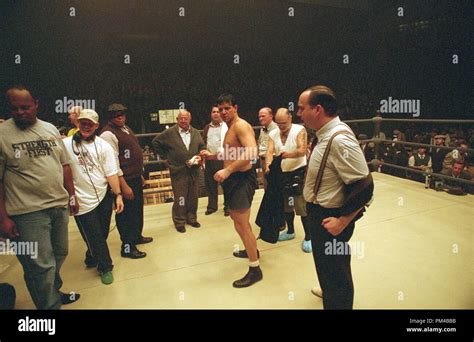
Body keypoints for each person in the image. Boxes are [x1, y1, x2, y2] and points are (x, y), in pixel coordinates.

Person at [0, 85, 80, 309]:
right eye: (14, 108)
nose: (20, 112)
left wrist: (71, 196)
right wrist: (3, 218)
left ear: (36, 104)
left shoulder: (50, 129)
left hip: (57, 204)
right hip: (26, 212)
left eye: (25, 107)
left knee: (60, 253)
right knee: (40, 265)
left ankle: (53, 291)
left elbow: (64, 165)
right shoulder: (2, 134)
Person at [298, 85, 373, 309]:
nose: (298, 113)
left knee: (336, 272)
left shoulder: (338, 139)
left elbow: (365, 185)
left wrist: (343, 220)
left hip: (330, 217)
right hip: (319, 213)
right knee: (326, 266)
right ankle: (328, 291)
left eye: (302, 109)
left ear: (318, 109)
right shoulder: (324, 135)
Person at [64, 109, 124, 285]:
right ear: (77, 123)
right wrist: (70, 196)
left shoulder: (104, 146)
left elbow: (111, 173)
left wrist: (118, 195)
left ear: (96, 126)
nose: (86, 126)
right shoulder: (66, 144)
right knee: (95, 236)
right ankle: (105, 267)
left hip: (103, 196)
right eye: (83, 122)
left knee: (102, 233)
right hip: (80, 200)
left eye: (90, 123)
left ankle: (91, 255)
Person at [210, 94, 261, 288]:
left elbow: (252, 152)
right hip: (233, 180)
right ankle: (252, 251)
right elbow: (234, 152)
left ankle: (255, 268)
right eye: (220, 109)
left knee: (241, 223)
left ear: (235, 107)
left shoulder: (240, 125)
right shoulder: (229, 127)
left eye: (227, 108)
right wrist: (213, 156)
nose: (223, 112)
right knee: (237, 220)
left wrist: (229, 169)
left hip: (241, 179)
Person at [100, 103, 151, 259]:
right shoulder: (108, 134)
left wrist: (139, 174)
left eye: (122, 114)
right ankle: (127, 247)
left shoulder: (125, 128)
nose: (120, 117)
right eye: (116, 115)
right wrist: (123, 187)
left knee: (136, 211)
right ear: (110, 117)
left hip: (134, 177)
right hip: (124, 180)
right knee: (125, 215)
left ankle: (136, 237)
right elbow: (113, 163)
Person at [265, 108, 312, 253]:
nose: (281, 127)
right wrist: (268, 165)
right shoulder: (273, 133)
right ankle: (290, 231)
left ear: (290, 119)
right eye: (278, 124)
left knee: (301, 206)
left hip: (297, 172)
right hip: (282, 174)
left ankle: (309, 237)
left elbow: (302, 150)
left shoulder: (299, 130)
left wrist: (288, 155)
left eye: (284, 123)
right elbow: (269, 151)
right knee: (286, 204)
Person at [152, 110, 205, 233]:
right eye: (181, 118)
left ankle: (192, 218)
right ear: (177, 119)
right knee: (180, 197)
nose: (183, 120)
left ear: (189, 119)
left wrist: (199, 156)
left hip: (194, 170)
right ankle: (179, 221)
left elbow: (202, 147)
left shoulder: (196, 133)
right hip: (178, 170)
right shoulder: (170, 133)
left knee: (193, 196)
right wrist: (165, 157)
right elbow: (155, 142)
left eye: (185, 118)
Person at [201, 105, 229, 216]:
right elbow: (203, 143)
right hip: (209, 160)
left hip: (223, 159)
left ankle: (228, 206)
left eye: (218, 111)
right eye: (214, 112)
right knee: (210, 184)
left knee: (226, 184)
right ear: (211, 114)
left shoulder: (227, 126)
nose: (216, 113)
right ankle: (212, 206)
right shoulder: (207, 128)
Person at [257, 107, 277, 188]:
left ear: (271, 116)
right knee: (266, 185)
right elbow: (260, 143)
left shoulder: (277, 129)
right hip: (262, 159)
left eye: (263, 116)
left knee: (273, 185)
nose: (260, 118)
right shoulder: (263, 129)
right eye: (259, 117)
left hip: (272, 160)